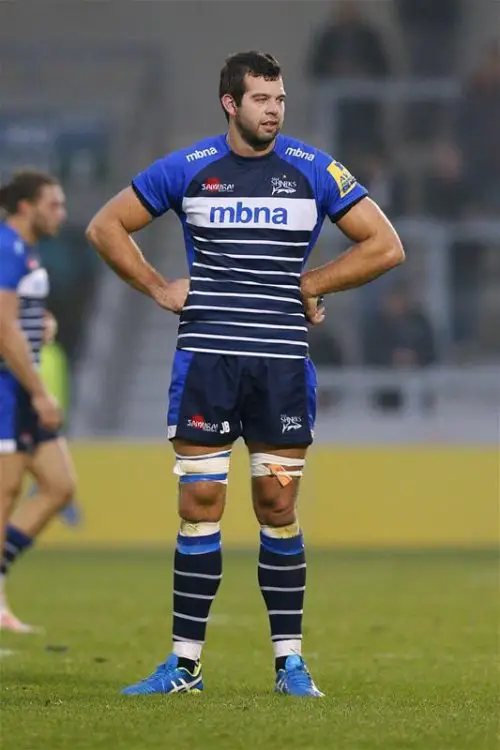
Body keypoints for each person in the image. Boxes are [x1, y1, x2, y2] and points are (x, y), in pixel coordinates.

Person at [87, 51, 404, 697]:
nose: (274, 111)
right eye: (261, 99)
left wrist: (313, 282)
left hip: (281, 365)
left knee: (277, 505)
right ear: (230, 104)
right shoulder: (189, 168)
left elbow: (385, 245)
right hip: (207, 361)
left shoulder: (314, 169)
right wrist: (157, 286)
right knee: (200, 504)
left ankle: (290, 664)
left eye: (280, 99)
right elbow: (106, 226)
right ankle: (185, 666)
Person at [0, 170, 77, 633]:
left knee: (59, 485)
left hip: (20, 390)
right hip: (9, 390)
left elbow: (15, 314)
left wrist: (39, 321)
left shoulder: (24, 251)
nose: (61, 214)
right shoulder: (6, 247)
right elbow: (2, 326)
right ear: (26, 207)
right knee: (6, 493)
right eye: (53, 204)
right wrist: (39, 390)